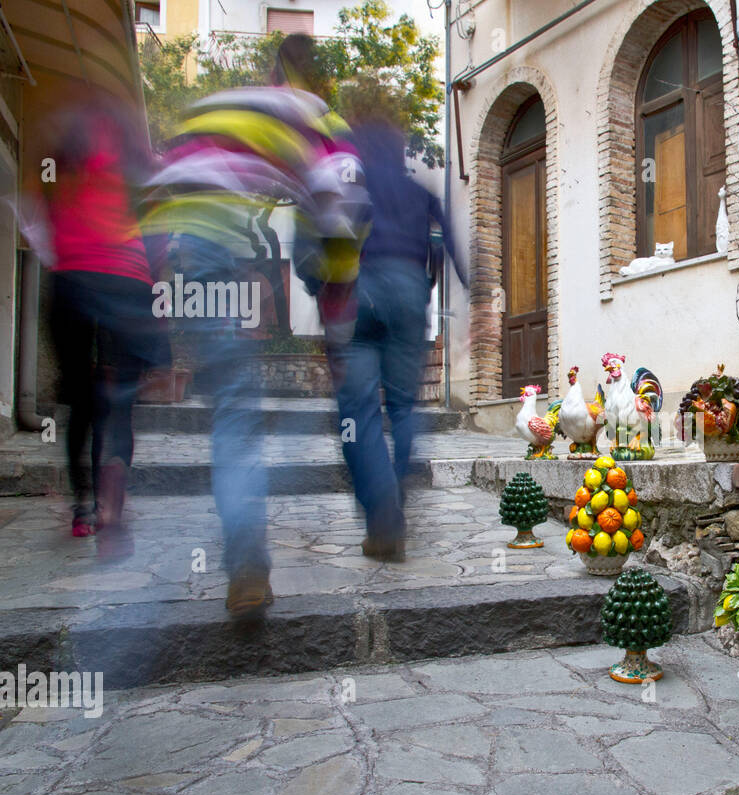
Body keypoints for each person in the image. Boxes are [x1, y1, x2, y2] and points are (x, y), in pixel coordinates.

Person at [141, 37, 368, 617]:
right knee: (240, 412)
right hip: (220, 251)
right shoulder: (314, 116)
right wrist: (336, 312)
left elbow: (165, 183)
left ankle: (244, 559)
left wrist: (158, 280)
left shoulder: (223, 105)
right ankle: (246, 563)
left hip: (194, 253)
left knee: (231, 413)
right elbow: (341, 208)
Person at [333, 90, 464, 561]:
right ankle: (398, 488)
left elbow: (333, 234)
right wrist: (479, 293)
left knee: (358, 409)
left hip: (363, 290)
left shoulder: (355, 187)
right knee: (405, 408)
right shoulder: (420, 193)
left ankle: (383, 512)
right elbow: (449, 242)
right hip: (410, 292)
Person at [35, 86, 169, 543]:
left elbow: (49, 214)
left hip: (72, 280)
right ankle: (112, 498)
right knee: (120, 402)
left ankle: (83, 507)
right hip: (127, 281)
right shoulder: (140, 157)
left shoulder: (63, 154)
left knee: (82, 401)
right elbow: (160, 227)